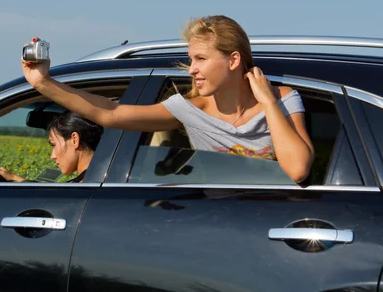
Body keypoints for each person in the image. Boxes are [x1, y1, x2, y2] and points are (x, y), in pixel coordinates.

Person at [20, 15, 315, 183]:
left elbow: (298, 169)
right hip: (221, 220)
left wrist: (268, 103)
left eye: (201, 58)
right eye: (191, 59)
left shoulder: (283, 100)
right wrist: (43, 83)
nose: (193, 69)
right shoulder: (188, 109)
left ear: (233, 60)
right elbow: (111, 114)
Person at [0, 110, 104, 183]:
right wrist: (15, 178)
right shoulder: (99, 177)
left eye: (53, 145)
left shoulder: (85, 185)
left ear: (74, 139)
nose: (52, 156)